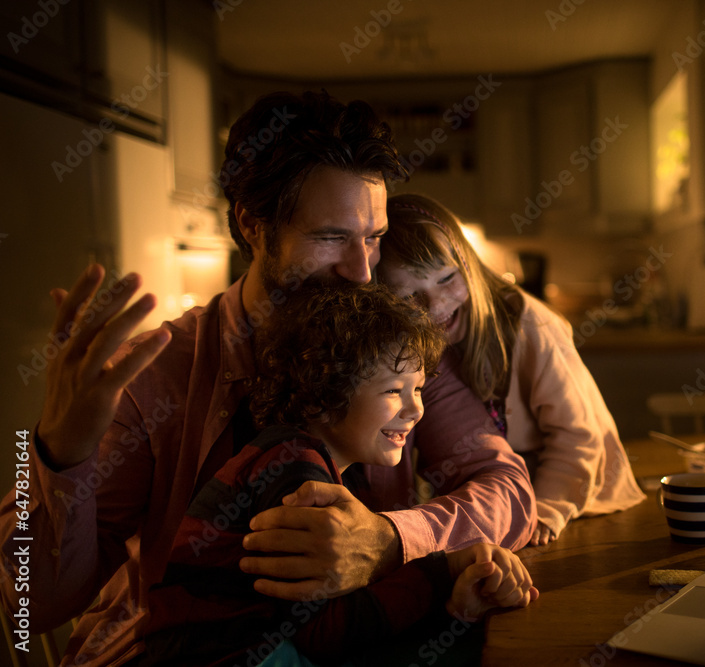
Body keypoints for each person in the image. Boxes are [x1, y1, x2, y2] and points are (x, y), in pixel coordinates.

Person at [0, 91, 535, 666]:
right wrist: (54, 454)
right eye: (331, 237)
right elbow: (29, 604)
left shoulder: (396, 346)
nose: (361, 271)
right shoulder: (155, 372)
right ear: (252, 225)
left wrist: (390, 540)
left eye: (373, 238)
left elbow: (508, 490)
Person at [141, 282, 536, 666]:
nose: (415, 409)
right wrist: (443, 571)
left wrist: (451, 602)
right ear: (325, 394)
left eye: (417, 389)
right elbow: (324, 632)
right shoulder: (293, 469)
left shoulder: (304, 459)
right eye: (393, 391)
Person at [378, 194, 645, 546]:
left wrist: (547, 510)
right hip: (508, 511)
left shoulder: (532, 327)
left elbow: (578, 436)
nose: (435, 304)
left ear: (468, 264)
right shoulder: (421, 349)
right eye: (410, 296)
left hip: (580, 503)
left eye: (446, 278)